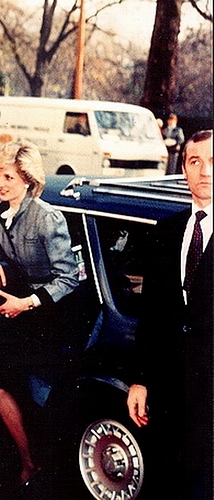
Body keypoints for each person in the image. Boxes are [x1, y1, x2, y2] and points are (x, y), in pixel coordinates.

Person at [0, 141, 79, 486]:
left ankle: (35, 462)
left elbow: (69, 278)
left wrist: (27, 303)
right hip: (18, 306)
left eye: (8, 177)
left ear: (28, 179)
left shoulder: (47, 218)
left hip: (50, 311)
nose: (0, 184)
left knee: (26, 387)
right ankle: (29, 460)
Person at [127, 130, 212, 499]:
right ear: (184, 169)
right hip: (169, 393)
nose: (205, 171)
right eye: (196, 161)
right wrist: (140, 380)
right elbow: (152, 313)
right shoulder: (167, 230)